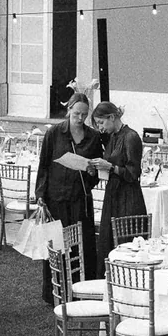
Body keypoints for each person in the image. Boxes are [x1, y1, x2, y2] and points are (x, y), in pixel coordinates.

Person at [35, 95, 104, 305]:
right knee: (57, 245)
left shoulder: (92, 136)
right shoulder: (54, 133)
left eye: (84, 114)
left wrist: (91, 171)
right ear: (69, 110)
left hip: (79, 199)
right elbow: (44, 165)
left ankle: (82, 289)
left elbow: (96, 171)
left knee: (82, 244)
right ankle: (55, 291)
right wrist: (40, 194)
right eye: (76, 114)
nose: (80, 118)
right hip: (56, 198)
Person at [91, 100, 147, 263]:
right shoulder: (113, 137)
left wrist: (110, 167)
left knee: (125, 241)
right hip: (113, 194)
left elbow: (133, 173)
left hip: (128, 198)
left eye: (101, 123)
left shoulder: (131, 137)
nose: (100, 128)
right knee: (108, 239)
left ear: (112, 117)